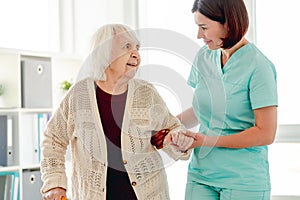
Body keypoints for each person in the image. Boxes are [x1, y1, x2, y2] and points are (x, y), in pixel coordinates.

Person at [40, 23, 194, 200]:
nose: (136, 54)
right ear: (104, 52)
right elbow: (53, 139)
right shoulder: (79, 95)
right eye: (127, 47)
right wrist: (55, 184)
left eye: (137, 47)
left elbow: (172, 129)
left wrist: (176, 139)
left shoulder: (146, 93)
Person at [175, 0, 278, 199]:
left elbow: (266, 133)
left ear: (228, 23)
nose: (199, 35)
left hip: (243, 181)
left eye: (204, 27)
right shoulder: (204, 56)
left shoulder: (259, 66)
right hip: (201, 176)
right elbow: (201, 109)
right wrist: (166, 126)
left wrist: (207, 141)